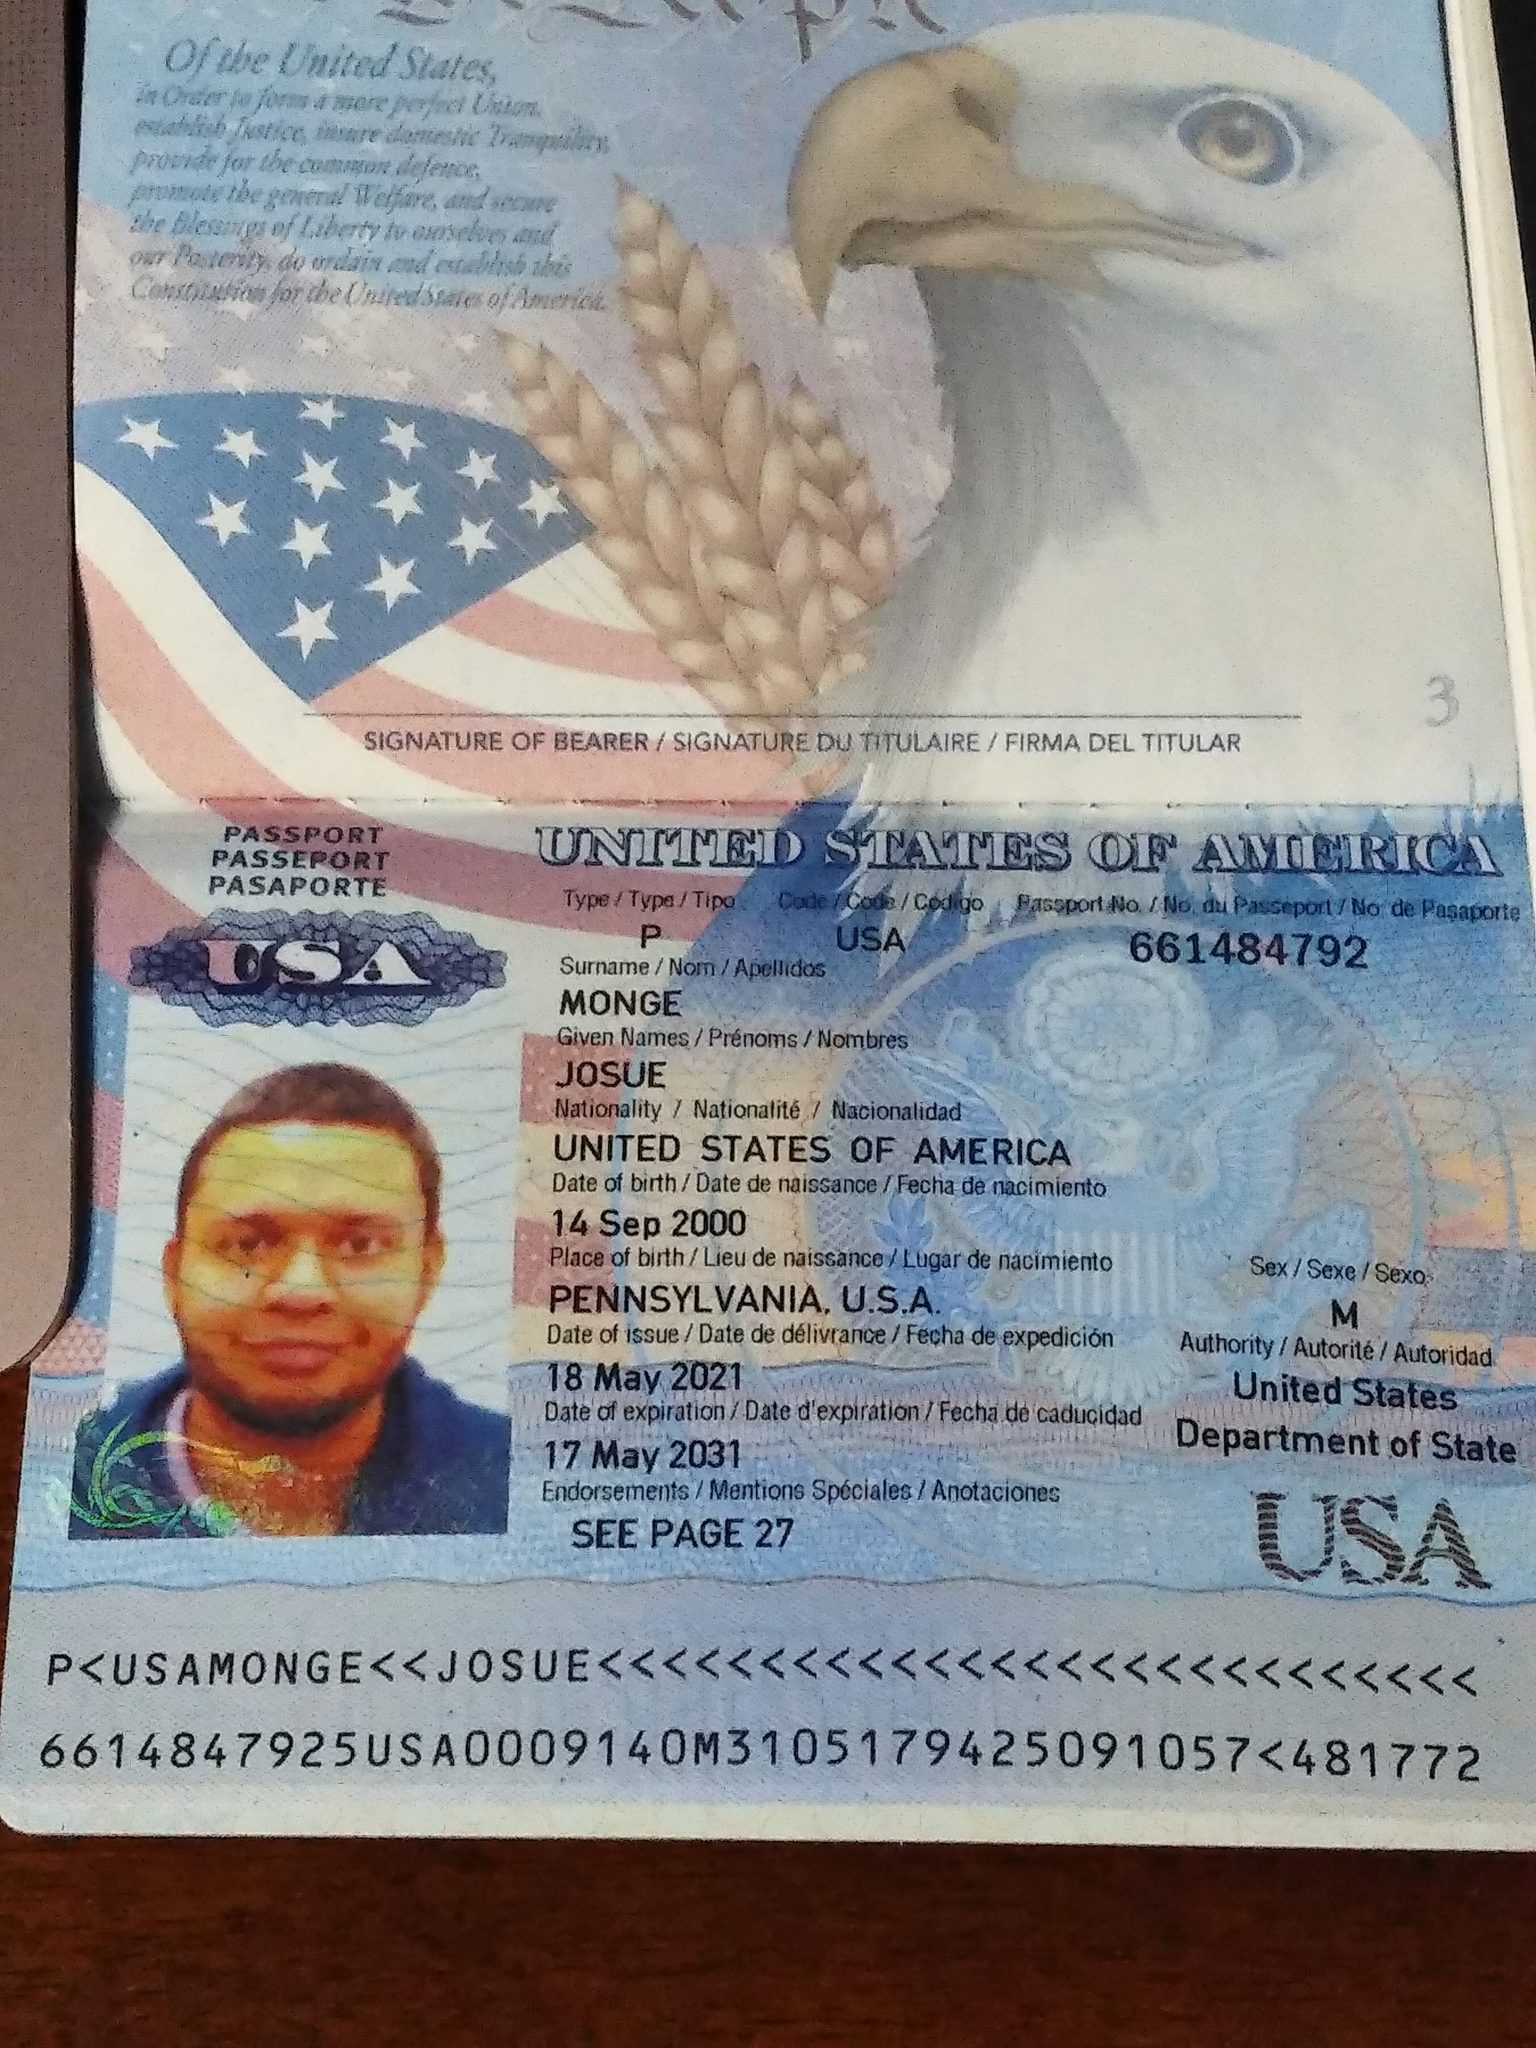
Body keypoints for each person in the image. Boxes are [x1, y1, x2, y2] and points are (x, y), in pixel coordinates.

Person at [71, 1063, 510, 1538]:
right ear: (175, 1273)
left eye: (361, 1245)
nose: (302, 1292)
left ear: (427, 1271)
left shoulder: (514, 1484)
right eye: (246, 1245)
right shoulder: (62, 1489)